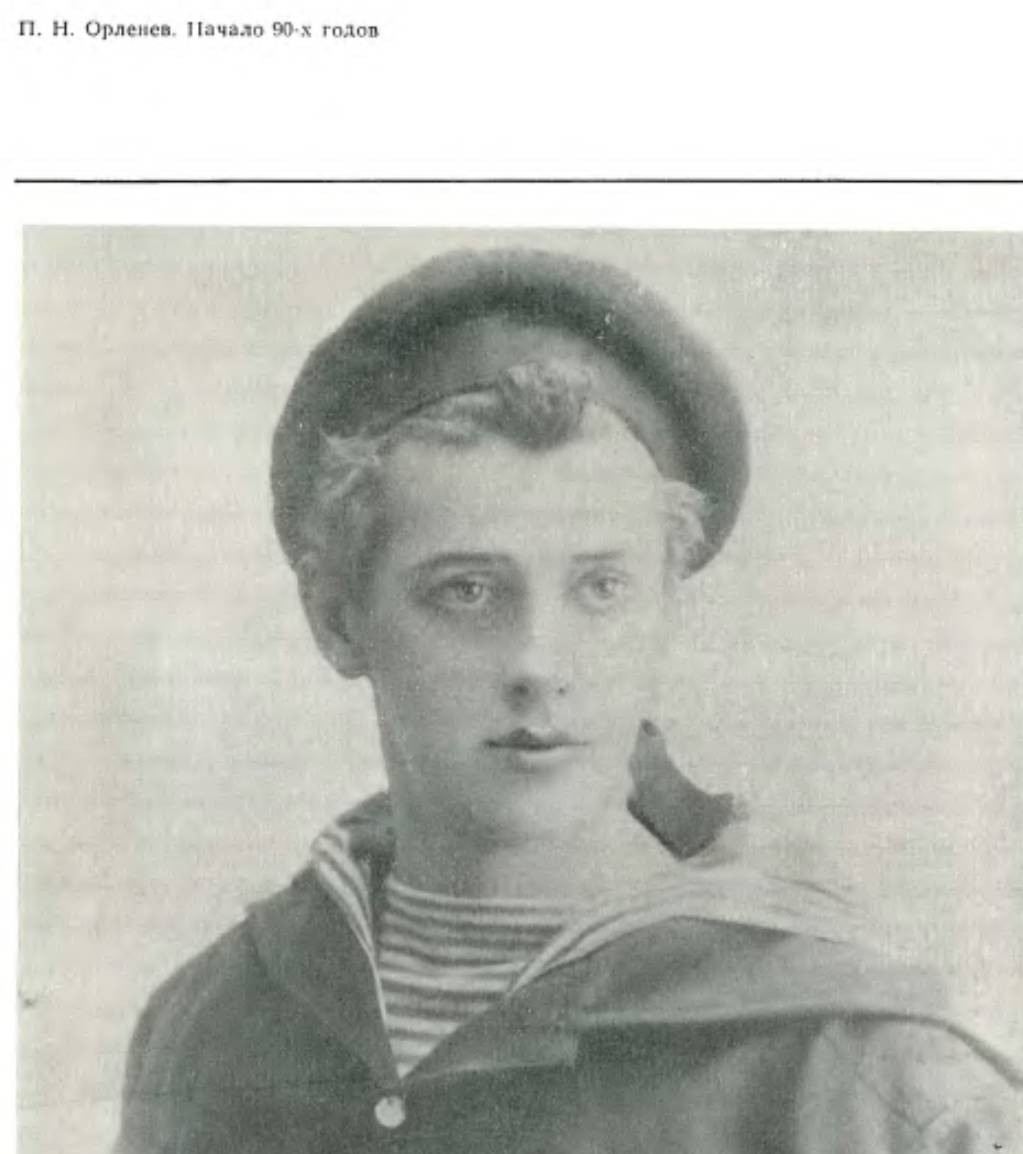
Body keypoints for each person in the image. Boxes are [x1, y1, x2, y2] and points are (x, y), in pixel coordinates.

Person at [115, 247, 1020, 1153]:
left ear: (667, 609)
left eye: (600, 589)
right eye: (467, 591)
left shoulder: (869, 1087)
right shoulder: (209, 1032)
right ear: (336, 619)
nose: (537, 664)